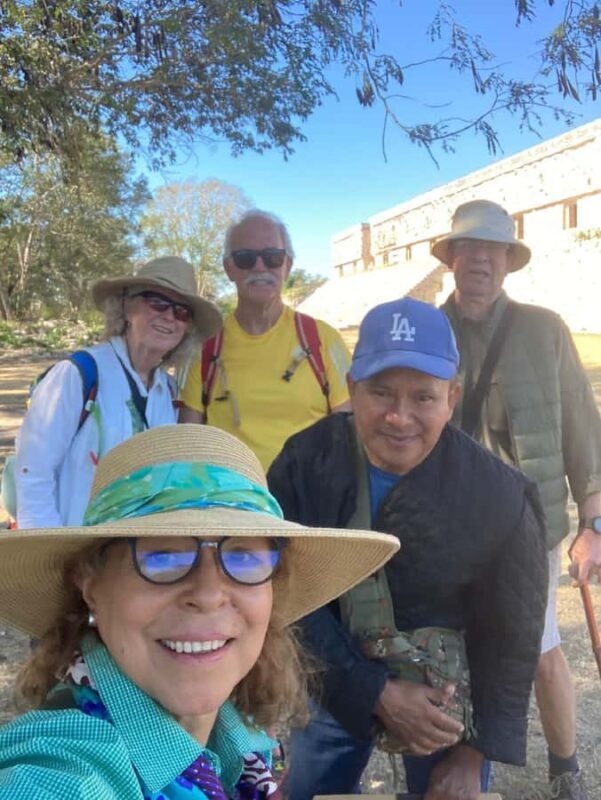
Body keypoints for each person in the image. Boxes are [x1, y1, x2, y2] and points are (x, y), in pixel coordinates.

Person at [0, 423, 398, 797]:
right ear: (91, 586)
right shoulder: (61, 776)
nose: (208, 594)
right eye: (163, 557)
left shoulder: (237, 742)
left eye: (242, 557)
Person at [267, 297, 548, 800]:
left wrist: (474, 753)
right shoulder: (304, 461)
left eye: (423, 397)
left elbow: (512, 634)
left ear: (451, 398)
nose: (399, 417)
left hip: (444, 700)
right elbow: (285, 591)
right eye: (380, 392)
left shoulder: (501, 496)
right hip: (332, 674)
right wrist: (371, 691)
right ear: (352, 388)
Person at [436, 199, 601, 800]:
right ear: (451, 258)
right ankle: (458, 766)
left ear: (508, 261)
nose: (480, 259)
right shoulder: (428, 329)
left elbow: (582, 428)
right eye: (468, 247)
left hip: (530, 526)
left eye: (493, 249)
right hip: (446, 522)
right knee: (449, 651)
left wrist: (594, 523)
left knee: (539, 649)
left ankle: (565, 766)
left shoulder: (544, 329)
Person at [15, 256, 222, 528]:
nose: (169, 316)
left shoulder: (168, 392)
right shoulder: (79, 374)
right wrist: (45, 545)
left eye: (182, 312)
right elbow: (32, 471)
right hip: (72, 545)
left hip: (136, 549)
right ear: (126, 306)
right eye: (157, 302)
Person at [179, 209, 351, 471]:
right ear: (229, 268)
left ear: (287, 265)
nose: (260, 267)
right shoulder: (206, 348)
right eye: (245, 258)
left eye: (272, 257)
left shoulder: (324, 340)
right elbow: (189, 441)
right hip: (231, 493)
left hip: (308, 494)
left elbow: (349, 433)